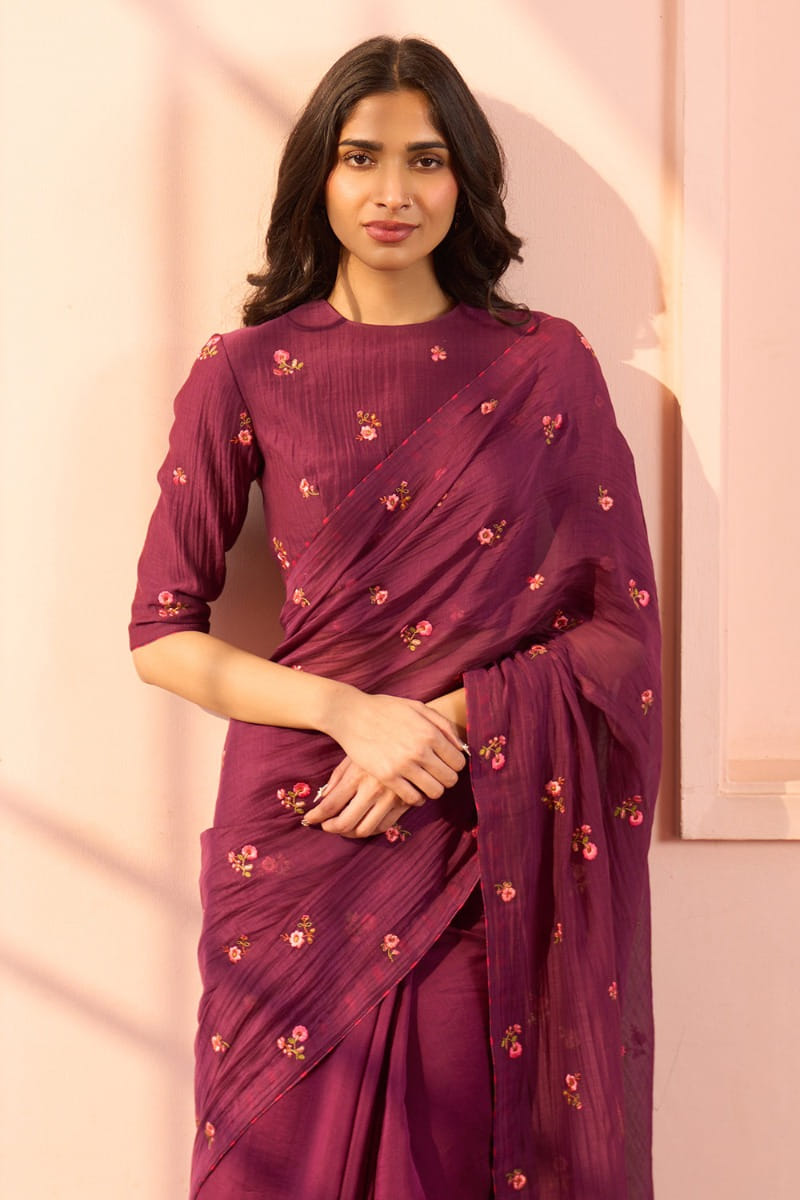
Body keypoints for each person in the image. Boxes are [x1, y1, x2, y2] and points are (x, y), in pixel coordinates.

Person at [130, 35, 661, 1200]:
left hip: (474, 826)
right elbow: (161, 634)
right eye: (360, 156)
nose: (392, 191)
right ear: (316, 176)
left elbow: (616, 627)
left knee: (460, 1142)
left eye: (425, 160)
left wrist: (447, 724)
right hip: (301, 817)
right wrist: (350, 715)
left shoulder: (544, 366)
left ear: (464, 180)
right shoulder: (245, 368)